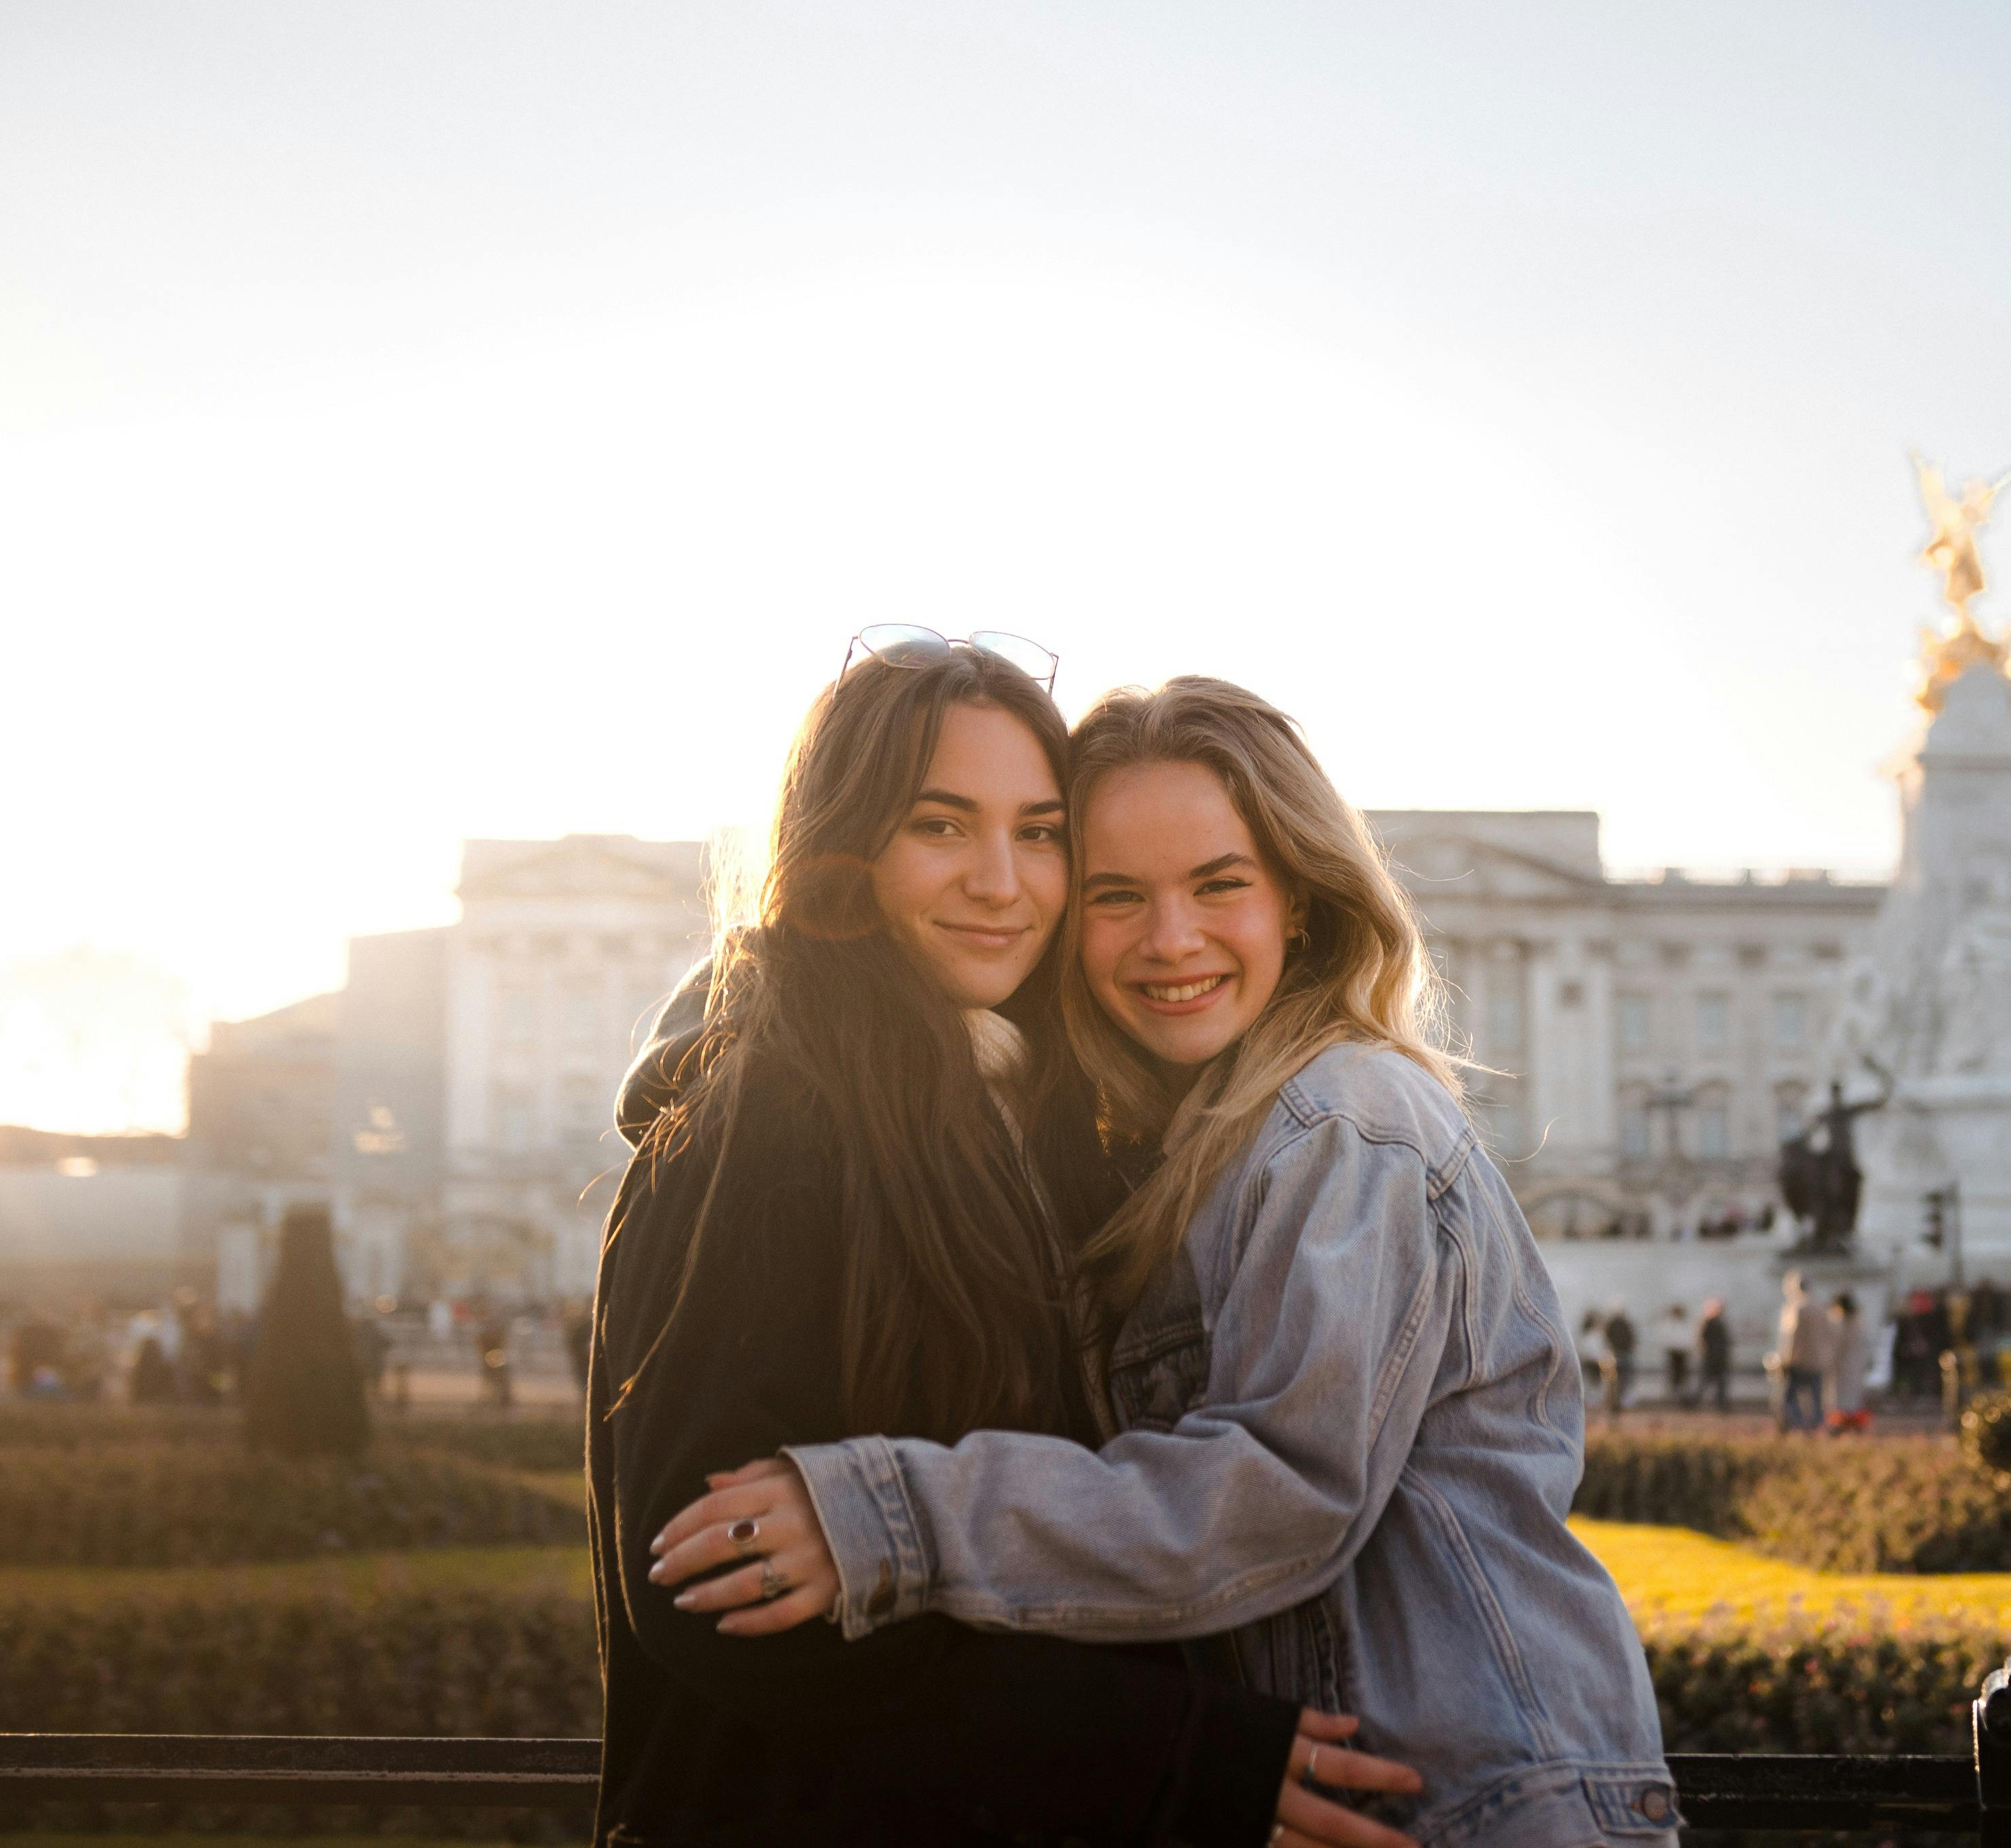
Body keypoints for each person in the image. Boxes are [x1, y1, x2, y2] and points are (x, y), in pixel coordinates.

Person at [655, 675, 1678, 1848]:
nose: (1170, 940)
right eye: (1117, 896)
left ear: (1301, 903)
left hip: (1472, 1806)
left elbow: (1276, 1488)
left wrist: (892, 1513)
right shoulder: (1189, 1145)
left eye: (1218, 885)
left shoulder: (1348, 1118)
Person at [588, 644, 1405, 1848]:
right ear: (847, 854)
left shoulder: (1032, 1122)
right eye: (941, 825)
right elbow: (712, 1584)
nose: (1001, 881)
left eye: (1039, 833)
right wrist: (1173, 1756)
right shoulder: (768, 1122)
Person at [1774, 1271, 1828, 1434]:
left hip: (1798, 1361)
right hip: (1817, 1360)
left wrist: (1786, 1360)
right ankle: (1817, 1426)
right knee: (1815, 1399)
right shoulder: (1819, 1308)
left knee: (1788, 1397)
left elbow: (1792, 1336)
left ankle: (1796, 1425)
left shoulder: (1796, 1308)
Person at [1825, 1289, 1872, 1432]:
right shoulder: (1858, 1321)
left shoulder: (1840, 1322)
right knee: (1852, 1397)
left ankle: (1841, 1423)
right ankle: (1852, 1422)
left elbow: (1835, 1345)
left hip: (1842, 1364)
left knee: (1840, 1397)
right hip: (1854, 1364)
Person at [1602, 1300, 1639, 1418]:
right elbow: (1632, 1339)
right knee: (1623, 1381)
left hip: (1616, 1355)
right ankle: (1618, 1403)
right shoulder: (1627, 1324)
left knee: (1614, 1382)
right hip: (1623, 1355)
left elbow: (1606, 1339)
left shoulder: (1609, 1324)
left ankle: (1615, 1404)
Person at [1695, 1296, 1732, 1411]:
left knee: (1719, 1382)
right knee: (1706, 1380)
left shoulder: (1717, 1322)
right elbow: (1704, 1340)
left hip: (1719, 1357)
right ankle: (1695, 1401)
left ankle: (1720, 1403)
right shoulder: (1709, 1323)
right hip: (1712, 1357)